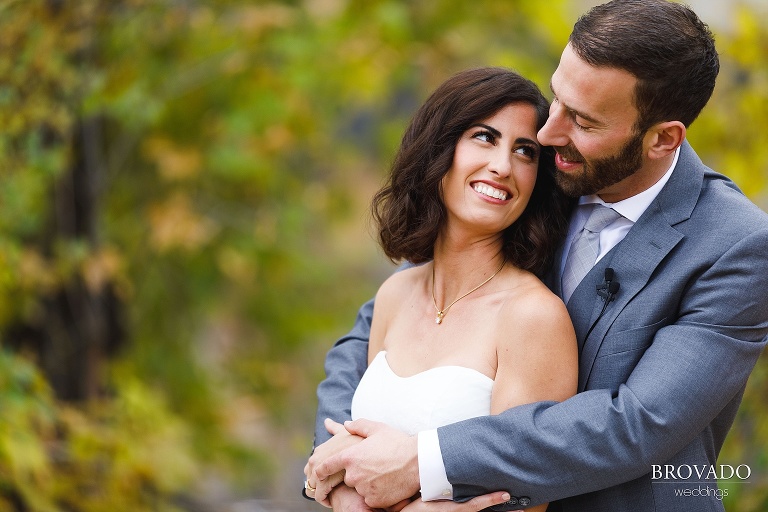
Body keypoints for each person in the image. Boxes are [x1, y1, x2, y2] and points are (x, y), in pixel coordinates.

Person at [306, 1, 768, 511]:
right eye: (557, 99)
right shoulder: (530, 168)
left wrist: (424, 459)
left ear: (662, 138)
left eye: (585, 122)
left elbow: (638, 424)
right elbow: (376, 332)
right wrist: (340, 469)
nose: (548, 134)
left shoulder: (736, 246)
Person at [305, 67, 578, 512]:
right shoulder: (396, 295)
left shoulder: (532, 316)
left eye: (525, 151)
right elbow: (354, 457)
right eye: (484, 137)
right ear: (439, 149)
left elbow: (524, 501)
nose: (503, 166)